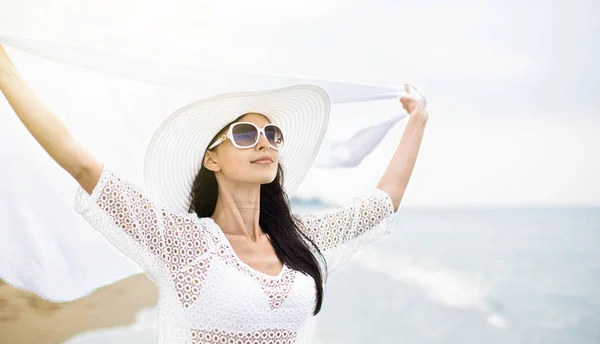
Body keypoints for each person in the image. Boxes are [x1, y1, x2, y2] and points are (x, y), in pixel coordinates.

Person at [0, 43, 429, 344]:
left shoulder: (301, 239)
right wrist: (5, 71)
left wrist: (417, 121)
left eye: (272, 133)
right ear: (212, 159)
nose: (265, 142)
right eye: (245, 133)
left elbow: (383, 202)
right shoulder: (184, 244)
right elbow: (83, 165)